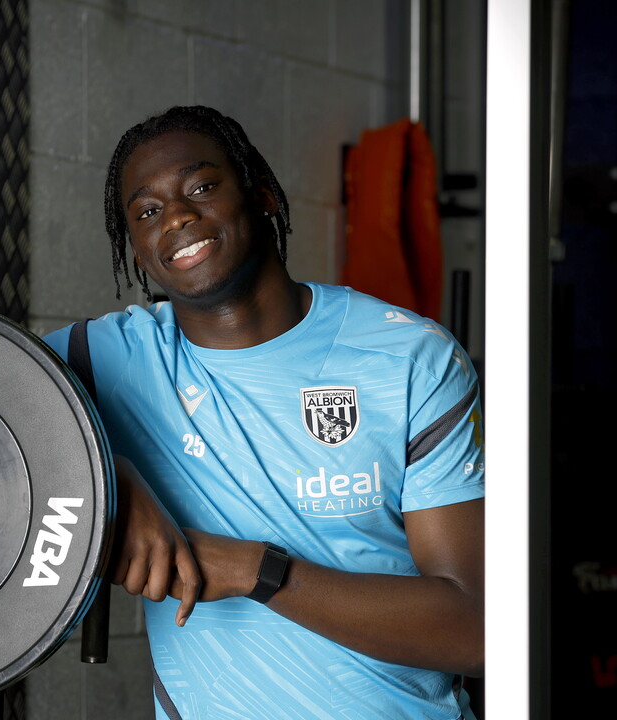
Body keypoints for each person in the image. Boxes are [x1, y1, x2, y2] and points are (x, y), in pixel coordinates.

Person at [44, 106, 484, 720]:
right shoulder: (113, 360)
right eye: (147, 211)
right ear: (138, 253)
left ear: (265, 196)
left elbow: (475, 629)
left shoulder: (408, 358)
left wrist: (260, 571)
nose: (176, 216)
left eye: (200, 187)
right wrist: (105, 475)